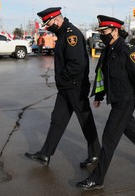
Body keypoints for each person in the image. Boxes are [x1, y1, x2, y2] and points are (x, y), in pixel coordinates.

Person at [76, 15, 135, 190]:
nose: (101, 35)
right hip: (115, 99)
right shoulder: (109, 48)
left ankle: (98, 178)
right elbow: (103, 74)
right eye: (100, 32)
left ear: (115, 31)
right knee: (130, 130)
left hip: (126, 100)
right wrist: (99, 95)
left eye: (104, 31)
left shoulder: (127, 50)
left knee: (109, 137)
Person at [25, 7, 101, 168]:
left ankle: (95, 154)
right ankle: (45, 154)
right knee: (57, 119)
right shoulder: (63, 33)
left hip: (75, 86)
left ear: (56, 20)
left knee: (85, 120)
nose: (47, 26)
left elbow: (77, 63)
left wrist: (62, 77)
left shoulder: (71, 34)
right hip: (67, 86)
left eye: (48, 23)